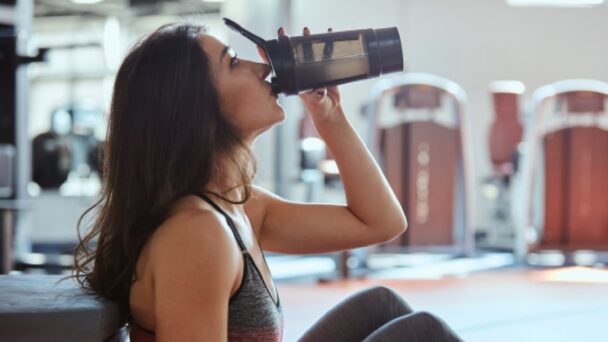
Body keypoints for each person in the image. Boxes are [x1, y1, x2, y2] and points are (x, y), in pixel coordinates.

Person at [72, 22, 463, 342]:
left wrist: (329, 118)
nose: (262, 68)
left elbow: (382, 223)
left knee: (384, 305)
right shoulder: (196, 234)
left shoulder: (239, 206)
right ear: (196, 107)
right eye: (234, 62)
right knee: (423, 332)